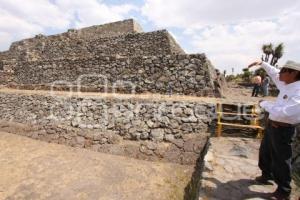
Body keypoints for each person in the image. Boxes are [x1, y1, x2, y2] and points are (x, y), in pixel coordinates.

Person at [248, 60, 300, 200]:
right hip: (273, 126)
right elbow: (274, 73)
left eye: (283, 70)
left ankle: (283, 191)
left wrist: (264, 104)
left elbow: (283, 113)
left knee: (282, 159)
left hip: (284, 130)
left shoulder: (298, 91)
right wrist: (262, 63)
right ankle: (267, 175)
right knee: (266, 152)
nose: (279, 73)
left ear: (294, 73)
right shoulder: (287, 83)